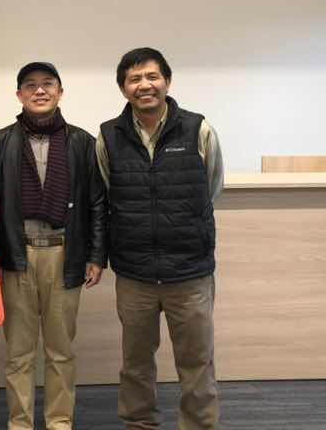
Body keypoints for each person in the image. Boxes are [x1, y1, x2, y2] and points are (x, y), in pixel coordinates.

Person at [96, 47, 224, 430]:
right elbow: (106, 194)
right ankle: (140, 424)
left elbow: (211, 188)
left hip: (190, 272)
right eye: (134, 79)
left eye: (152, 76)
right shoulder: (108, 136)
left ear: (167, 81)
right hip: (135, 274)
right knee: (136, 364)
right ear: (123, 88)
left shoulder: (198, 129)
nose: (144, 85)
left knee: (197, 363)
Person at [0, 62, 107, 430]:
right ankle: (19, 423)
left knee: (61, 351)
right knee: (18, 353)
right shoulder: (2, 141)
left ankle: (59, 422)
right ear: (19, 94)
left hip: (63, 254)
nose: (39, 91)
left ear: (60, 92)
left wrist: (96, 255)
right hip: (16, 256)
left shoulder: (82, 142)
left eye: (47, 84)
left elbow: (97, 202)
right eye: (30, 85)